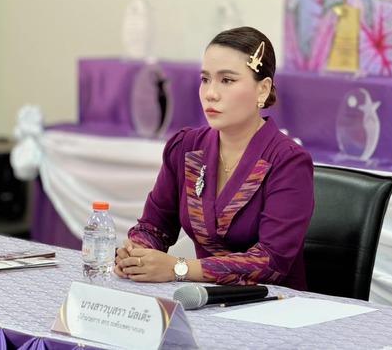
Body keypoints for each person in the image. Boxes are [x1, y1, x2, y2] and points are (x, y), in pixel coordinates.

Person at [114, 26, 314, 290]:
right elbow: (154, 226)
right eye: (205, 79)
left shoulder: (287, 161)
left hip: (274, 304)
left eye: (227, 80)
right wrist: (136, 254)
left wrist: (178, 268)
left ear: (263, 90)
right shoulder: (186, 148)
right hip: (203, 299)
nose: (210, 93)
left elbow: (271, 261)